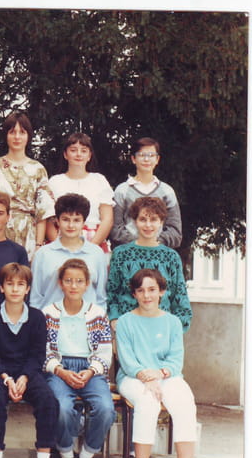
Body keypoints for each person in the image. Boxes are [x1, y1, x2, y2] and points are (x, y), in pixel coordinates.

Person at [116, 269, 204, 458]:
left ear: (162, 291)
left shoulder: (173, 322)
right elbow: (127, 360)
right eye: (140, 290)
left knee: (185, 402)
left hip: (166, 376)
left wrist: (159, 374)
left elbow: (176, 359)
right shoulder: (125, 322)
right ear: (134, 294)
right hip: (132, 377)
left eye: (152, 290)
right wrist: (145, 376)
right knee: (148, 402)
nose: (147, 295)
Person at [0, 262, 58, 458]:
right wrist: (7, 379)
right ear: (1, 287)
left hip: (28, 371)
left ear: (27, 289)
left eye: (20, 284)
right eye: (10, 284)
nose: (15, 289)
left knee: (49, 401)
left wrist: (24, 377)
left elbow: (37, 354)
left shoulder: (36, 317)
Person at [42, 258, 115, 458]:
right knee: (62, 407)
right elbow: (43, 351)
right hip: (59, 368)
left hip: (90, 369)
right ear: (60, 283)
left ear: (87, 284)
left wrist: (91, 371)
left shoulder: (97, 314)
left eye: (79, 281)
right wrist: (60, 371)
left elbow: (105, 352)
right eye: (68, 281)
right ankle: (66, 457)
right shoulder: (49, 313)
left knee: (105, 408)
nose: (73, 286)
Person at [107, 197, 192, 333]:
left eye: (153, 219)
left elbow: (180, 297)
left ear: (161, 222)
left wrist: (176, 329)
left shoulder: (170, 257)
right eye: (142, 219)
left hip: (161, 330)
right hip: (129, 330)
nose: (148, 225)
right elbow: (112, 292)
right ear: (135, 221)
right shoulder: (121, 254)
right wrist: (115, 319)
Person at [0, 112, 55, 259]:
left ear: (28, 136)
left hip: (28, 235)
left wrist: (38, 245)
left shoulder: (38, 169)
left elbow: (42, 212)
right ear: (6, 135)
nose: (17, 137)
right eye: (12, 132)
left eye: (22, 132)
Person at [30, 193, 108, 310]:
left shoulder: (96, 253)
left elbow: (101, 297)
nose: (71, 225)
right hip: (50, 319)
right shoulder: (43, 254)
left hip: (87, 319)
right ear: (57, 221)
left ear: (84, 222)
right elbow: (35, 297)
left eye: (76, 220)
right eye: (65, 219)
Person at [45, 132, 114, 251]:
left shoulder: (99, 180)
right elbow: (48, 219)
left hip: (94, 242)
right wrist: (60, 247)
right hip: (61, 241)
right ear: (65, 154)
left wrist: (91, 247)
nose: (78, 154)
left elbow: (107, 219)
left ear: (89, 156)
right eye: (73, 150)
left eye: (83, 151)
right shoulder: (54, 182)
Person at [110, 137, 182, 249]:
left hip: (159, 253)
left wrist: (155, 243)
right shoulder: (122, 190)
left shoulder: (167, 191)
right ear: (133, 159)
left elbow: (175, 231)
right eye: (142, 155)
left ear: (157, 159)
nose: (146, 159)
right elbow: (116, 229)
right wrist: (139, 244)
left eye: (151, 155)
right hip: (129, 252)